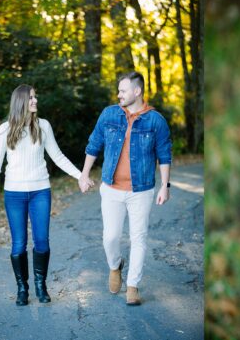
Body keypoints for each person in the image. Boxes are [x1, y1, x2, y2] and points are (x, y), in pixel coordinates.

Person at [0, 84, 88, 306]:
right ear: (21, 101)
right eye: (31, 97)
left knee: (42, 242)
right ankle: (23, 288)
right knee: (18, 244)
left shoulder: (43, 126)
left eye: (35, 97)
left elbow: (58, 157)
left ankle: (41, 285)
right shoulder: (4, 129)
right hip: (14, 194)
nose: (35, 100)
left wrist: (80, 176)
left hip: (40, 191)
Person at [79, 71, 172, 306]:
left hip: (141, 190)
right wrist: (84, 174)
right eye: (119, 90)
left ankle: (133, 286)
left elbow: (164, 155)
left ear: (137, 91)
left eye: (123, 90)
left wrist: (165, 186)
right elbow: (94, 143)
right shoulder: (109, 114)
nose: (118, 94)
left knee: (138, 238)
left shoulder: (155, 121)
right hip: (111, 188)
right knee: (110, 237)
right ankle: (115, 265)